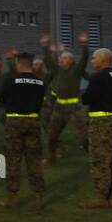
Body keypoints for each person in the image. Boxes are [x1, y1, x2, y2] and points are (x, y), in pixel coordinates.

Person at [0, 50, 48, 211]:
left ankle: (12, 199)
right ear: (32, 64)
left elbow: (2, 99)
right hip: (33, 121)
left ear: (18, 64)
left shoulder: (10, 80)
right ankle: (39, 198)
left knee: (13, 160)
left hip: (14, 122)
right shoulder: (41, 83)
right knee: (34, 160)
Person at [79, 47, 112, 208]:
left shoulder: (97, 76)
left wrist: (84, 97)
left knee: (99, 159)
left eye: (94, 58)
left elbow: (88, 97)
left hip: (100, 121)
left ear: (103, 59)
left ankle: (101, 196)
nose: (92, 61)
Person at [41, 32, 90, 163]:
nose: (61, 60)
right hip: (59, 108)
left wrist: (84, 45)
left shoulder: (76, 70)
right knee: (52, 136)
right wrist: (45, 46)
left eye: (64, 58)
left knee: (84, 136)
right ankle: (51, 158)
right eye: (60, 58)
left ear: (71, 61)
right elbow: (49, 60)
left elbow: (85, 59)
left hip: (74, 108)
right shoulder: (58, 70)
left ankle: (96, 158)